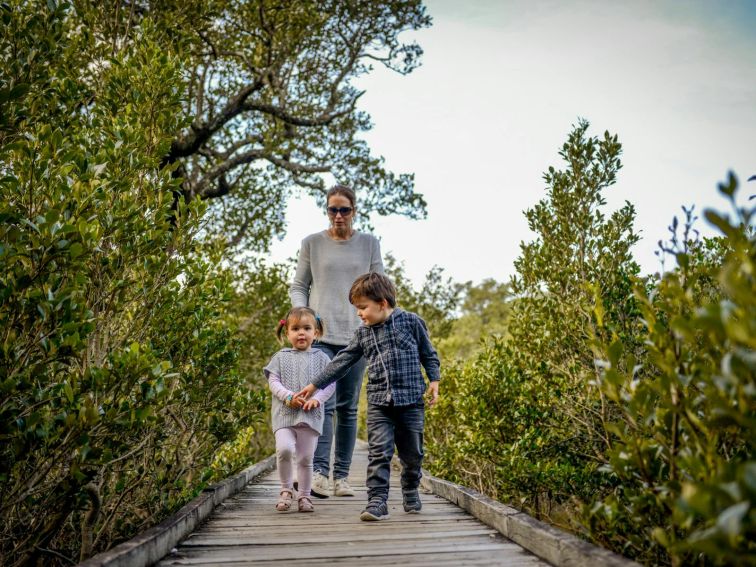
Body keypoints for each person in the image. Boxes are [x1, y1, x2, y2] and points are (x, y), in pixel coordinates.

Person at [297, 273, 440, 521]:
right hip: (379, 403)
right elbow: (341, 361)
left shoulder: (412, 322)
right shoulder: (363, 334)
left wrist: (434, 380)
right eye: (357, 309)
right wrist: (314, 385)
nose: (359, 314)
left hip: (411, 403)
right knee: (378, 452)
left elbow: (428, 353)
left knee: (413, 454)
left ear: (382, 303)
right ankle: (377, 501)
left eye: (362, 308)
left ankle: (409, 488)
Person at [289, 184, 384, 498]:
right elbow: (299, 285)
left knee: (348, 407)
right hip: (321, 337)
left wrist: (379, 318)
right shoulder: (312, 244)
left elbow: (380, 285)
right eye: (333, 209)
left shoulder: (369, 243)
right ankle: (317, 474)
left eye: (344, 209)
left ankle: (341, 477)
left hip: (357, 336)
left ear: (354, 211)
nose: (339, 215)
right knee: (321, 405)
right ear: (327, 211)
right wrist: (303, 315)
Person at [264, 307, 335, 513]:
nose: (301, 333)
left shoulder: (322, 358)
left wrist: (318, 400)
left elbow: (330, 384)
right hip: (284, 415)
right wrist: (287, 396)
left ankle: (304, 495)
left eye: (306, 328)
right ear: (287, 333)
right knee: (284, 449)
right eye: (295, 328)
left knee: (305, 458)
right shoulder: (280, 357)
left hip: (311, 417)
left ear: (316, 332)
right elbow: (273, 381)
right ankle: (286, 490)